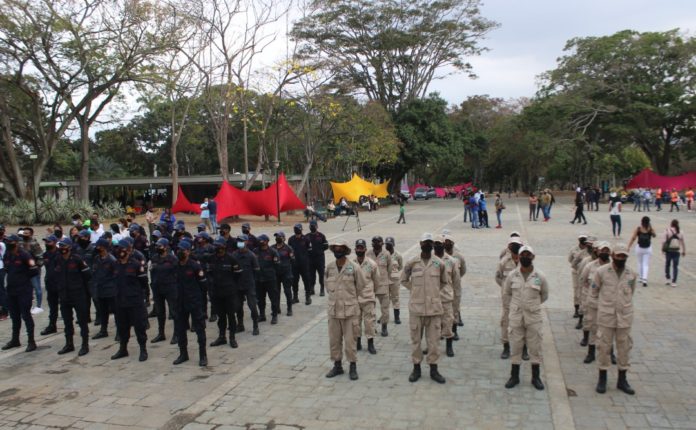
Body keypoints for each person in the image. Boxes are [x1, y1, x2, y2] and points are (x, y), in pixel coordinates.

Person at [400, 233, 447, 384]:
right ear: (420, 244)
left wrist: (432, 292)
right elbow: (403, 279)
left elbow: (444, 282)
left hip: (434, 309)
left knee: (433, 342)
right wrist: (415, 289)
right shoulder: (412, 263)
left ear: (432, 245)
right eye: (425, 242)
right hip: (416, 309)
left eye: (429, 243)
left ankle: (434, 369)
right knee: (416, 341)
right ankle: (416, 368)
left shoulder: (439, 263)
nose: (427, 245)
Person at [592, 243, 637, 395]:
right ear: (612, 256)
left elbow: (631, 292)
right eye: (618, 255)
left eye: (624, 256)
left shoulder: (631, 274)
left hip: (624, 316)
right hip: (606, 316)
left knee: (624, 347)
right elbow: (594, 291)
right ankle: (602, 378)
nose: (621, 258)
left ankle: (622, 379)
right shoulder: (602, 272)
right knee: (604, 347)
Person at [503, 245, 549, 390]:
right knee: (516, 346)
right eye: (523, 255)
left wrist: (531, 305)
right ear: (519, 256)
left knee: (534, 347)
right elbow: (507, 292)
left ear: (533, 257)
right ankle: (514, 376)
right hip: (516, 316)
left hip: (533, 317)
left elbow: (544, 295)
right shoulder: (512, 275)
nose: (525, 257)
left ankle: (536, 377)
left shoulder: (540, 276)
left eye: (528, 255)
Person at [324, 239, 367, 380]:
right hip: (334, 311)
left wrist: (350, 300)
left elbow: (361, 286)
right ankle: (337, 366)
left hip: (350, 312)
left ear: (346, 250)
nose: (337, 250)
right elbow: (327, 286)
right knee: (334, 341)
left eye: (340, 248)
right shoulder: (329, 268)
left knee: (350, 341)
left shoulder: (354, 267)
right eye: (335, 248)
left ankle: (353, 366)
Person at [172, 240, 208, 366]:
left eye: (182, 250)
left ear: (188, 251)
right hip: (180, 302)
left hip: (194, 301)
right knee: (181, 329)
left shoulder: (195, 266)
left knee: (199, 328)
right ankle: (183, 354)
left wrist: (199, 301)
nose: (179, 252)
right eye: (178, 249)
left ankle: (203, 355)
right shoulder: (175, 266)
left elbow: (203, 285)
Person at [53, 238, 91, 356]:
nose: (61, 249)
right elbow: (56, 275)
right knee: (67, 322)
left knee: (82, 321)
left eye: (64, 246)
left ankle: (85, 344)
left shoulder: (77, 259)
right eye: (60, 246)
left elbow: (87, 276)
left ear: (69, 247)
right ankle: (69, 344)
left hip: (78, 295)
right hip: (64, 295)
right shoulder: (58, 259)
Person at [2, 234, 39, 352]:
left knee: (26, 315)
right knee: (14, 316)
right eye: (7, 241)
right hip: (12, 290)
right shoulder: (7, 254)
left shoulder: (24, 254)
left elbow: (34, 270)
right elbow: (7, 269)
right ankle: (15, 340)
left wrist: (22, 278)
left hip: (24, 290)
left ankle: (31, 341)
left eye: (10, 242)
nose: (8, 243)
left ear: (16, 242)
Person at [579, 242, 612, 364]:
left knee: (609, 329)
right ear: (597, 251)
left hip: (609, 304)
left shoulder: (613, 267)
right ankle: (591, 353)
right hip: (593, 301)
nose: (604, 253)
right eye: (602, 250)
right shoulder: (590, 266)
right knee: (593, 327)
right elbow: (582, 280)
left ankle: (610, 352)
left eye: (607, 251)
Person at [207, 237, 242, 349]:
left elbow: (237, 275)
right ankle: (222, 337)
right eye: (216, 246)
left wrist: (230, 285)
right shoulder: (212, 258)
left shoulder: (232, 259)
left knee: (231, 316)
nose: (217, 248)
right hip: (217, 292)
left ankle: (232, 337)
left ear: (224, 247)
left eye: (219, 246)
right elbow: (210, 273)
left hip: (229, 292)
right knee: (221, 316)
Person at [496, 237, 522, 360]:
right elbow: (498, 277)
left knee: (524, 321)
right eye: (513, 245)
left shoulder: (526, 260)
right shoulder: (504, 261)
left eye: (517, 245)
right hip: (508, 298)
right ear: (509, 247)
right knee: (506, 320)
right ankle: (506, 347)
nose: (515, 247)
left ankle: (524, 348)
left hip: (522, 297)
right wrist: (505, 289)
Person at [149, 238, 179, 344]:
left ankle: (177, 334)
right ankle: (161, 333)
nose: (158, 248)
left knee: (175, 312)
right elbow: (152, 273)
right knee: (160, 312)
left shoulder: (173, 259)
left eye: (160, 246)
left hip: (170, 288)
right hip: (157, 288)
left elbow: (177, 275)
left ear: (166, 247)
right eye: (157, 246)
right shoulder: (154, 258)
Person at [232, 234, 261, 335]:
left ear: (246, 242)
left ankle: (255, 326)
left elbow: (257, 270)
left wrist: (253, 283)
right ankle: (240, 325)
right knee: (238, 306)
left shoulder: (251, 255)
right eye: (238, 241)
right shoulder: (234, 255)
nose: (239, 243)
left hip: (249, 284)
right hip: (238, 285)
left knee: (252, 306)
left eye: (242, 241)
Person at [353, 239, 378, 355]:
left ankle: (370, 343)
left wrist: (372, 294)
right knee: (356, 322)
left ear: (365, 249)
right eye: (357, 248)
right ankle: (357, 342)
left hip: (368, 297)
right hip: (355, 298)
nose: (359, 250)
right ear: (355, 249)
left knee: (369, 322)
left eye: (361, 248)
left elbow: (376, 281)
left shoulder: (372, 264)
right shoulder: (351, 264)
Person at [90, 239, 118, 340]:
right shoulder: (97, 259)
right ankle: (103, 330)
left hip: (110, 290)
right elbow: (94, 273)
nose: (96, 248)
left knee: (116, 312)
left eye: (98, 246)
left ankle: (119, 331)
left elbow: (116, 276)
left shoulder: (112, 260)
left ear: (103, 247)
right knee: (103, 312)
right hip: (100, 289)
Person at [433, 235, 456, 357]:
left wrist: (455, 297)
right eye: (435, 243)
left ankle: (449, 346)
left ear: (444, 245)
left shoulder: (451, 261)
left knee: (447, 323)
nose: (437, 246)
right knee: (432, 325)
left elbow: (456, 280)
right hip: (433, 298)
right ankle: (432, 346)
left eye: (439, 243)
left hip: (446, 297)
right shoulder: (429, 260)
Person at [366, 236, 393, 337]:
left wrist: (385, 279)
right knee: (370, 309)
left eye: (378, 242)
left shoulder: (386, 254)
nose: (375, 243)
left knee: (385, 308)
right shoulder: (368, 253)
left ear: (382, 243)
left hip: (383, 285)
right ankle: (372, 328)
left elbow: (389, 269)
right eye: (374, 242)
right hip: (371, 286)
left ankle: (384, 327)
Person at [443, 232, 466, 332]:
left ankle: (454, 330)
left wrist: (455, 278)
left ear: (453, 243)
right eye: (445, 242)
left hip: (455, 285)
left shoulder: (459, 257)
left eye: (449, 242)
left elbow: (463, 270)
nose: (447, 243)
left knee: (455, 308)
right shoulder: (440, 256)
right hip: (444, 286)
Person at [255, 234, 280, 324]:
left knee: (273, 298)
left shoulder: (273, 252)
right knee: (260, 299)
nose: (259, 242)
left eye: (261, 240)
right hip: (259, 280)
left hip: (270, 279)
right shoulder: (255, 251)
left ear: (266, 241)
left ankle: (274, 315)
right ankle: (262, 315)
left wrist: (271, 274)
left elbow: (277, 265)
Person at [19, 228, 43, 315]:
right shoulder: (20, 243)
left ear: (31, 234)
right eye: (24, 233)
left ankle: (39, 306)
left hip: (33, 270)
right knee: (27, 289)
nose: (25, 234)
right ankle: (28, 306)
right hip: (24, 270)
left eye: (27, 233)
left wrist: (36, 267)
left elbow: (40, 257)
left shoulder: (34, 243)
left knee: (37, 288)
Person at [627, 216, 656, 287]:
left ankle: (640, 277)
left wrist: (629, 246)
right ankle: (645, 279)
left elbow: (633, 238)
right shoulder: (650, 229)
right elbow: (654, 235)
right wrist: (651, 228)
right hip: (648, 248)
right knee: (646, 264)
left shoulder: (639, 229)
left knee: (639, 262)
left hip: (639, 248)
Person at [40, 235, 60, 335]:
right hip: (50, 284)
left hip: (61, 284)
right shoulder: (46, 254)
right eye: (46, 242)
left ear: (55, 242)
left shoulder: (61, 253)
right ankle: (52, 325)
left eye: (49, 242)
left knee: (67, 306)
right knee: (53, 307)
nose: (47, 244)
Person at [288, 224, 312, 305]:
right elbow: (289, 251)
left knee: (306, 281)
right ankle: (295, 297)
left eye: (297, 229)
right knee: (294, 281)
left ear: (301, 229)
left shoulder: (306, 239)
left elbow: (310, 251)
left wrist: (307, 261)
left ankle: (308, 297)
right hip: (294, 265)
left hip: (304, 264)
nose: (296, 230)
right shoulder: (291, 239)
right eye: (295, 229)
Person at [273, 232, 295, 316]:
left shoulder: (288, 248)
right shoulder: (272, 248)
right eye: (276, 237)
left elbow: (293, 260)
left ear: (284, 238)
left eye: (280, 236)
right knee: (276, 292)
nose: (278, 238)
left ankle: (289, 308)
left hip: (286, 273)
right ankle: (277, 308)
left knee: (287, 291)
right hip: (276, 273)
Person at [307, 220, 329, 297]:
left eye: (314, 225)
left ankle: (322, 289)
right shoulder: (307, 236)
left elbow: (326, 245)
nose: (312, 227)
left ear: (317, 226)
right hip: (310, 259)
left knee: (321, 275)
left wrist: (319, 250)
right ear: (309, 226)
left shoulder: (321, 236)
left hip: (320, 259)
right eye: (311, 225)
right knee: (311, 275)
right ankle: (312, 289)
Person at [662, 219, 686, 287]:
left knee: (667, 264)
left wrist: (662, 249)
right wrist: (684, 250)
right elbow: (683, 242)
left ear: (671, 224)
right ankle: (674, 281)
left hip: (669, 251)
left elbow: (663, 241)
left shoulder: (667, 230)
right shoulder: (680, 232)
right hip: (677, 251)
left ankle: (668, 278)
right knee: (675, 266)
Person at [385, 237, 403, 324]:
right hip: (385, 280)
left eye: (390, 244)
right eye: (386, 244)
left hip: (395, 280)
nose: (388, 246)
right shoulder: (383, 255)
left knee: (395, 298)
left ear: (393, 245)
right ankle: (384, 316)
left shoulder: (398, 255)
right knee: (385, 299)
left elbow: (400, 267)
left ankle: (397, 317)